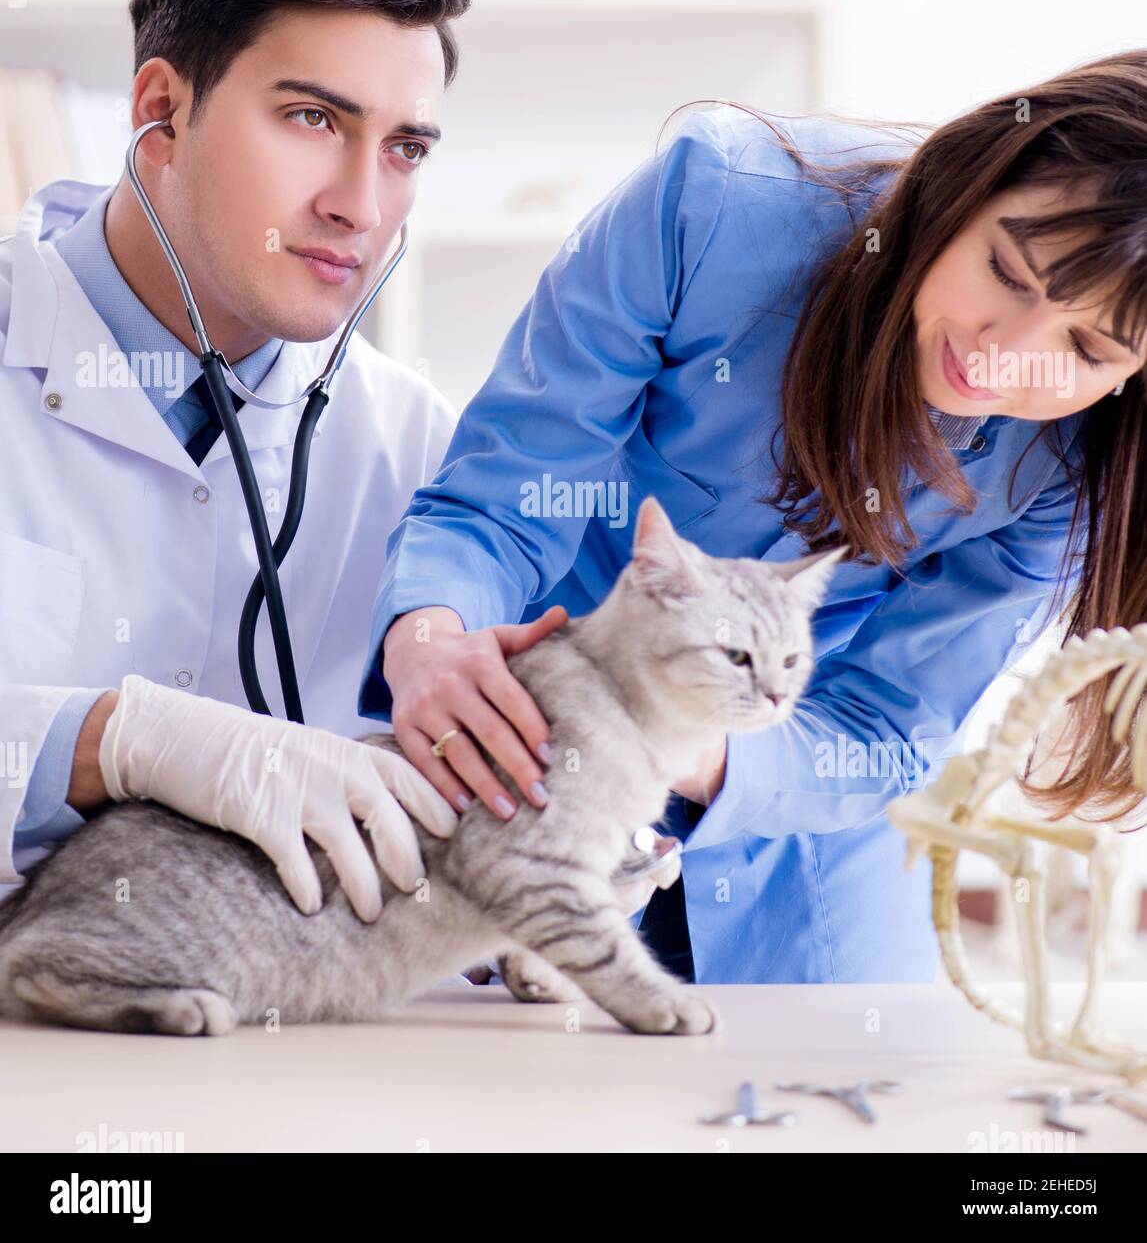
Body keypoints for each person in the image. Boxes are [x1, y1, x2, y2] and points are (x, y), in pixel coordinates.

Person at [361, 55, 1147, 984]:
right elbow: (505, 498)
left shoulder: (1075, 462)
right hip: (526, 749)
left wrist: (688, 747)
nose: (1005, 355)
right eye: (1005, 273)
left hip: (803, 840)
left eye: (1087, 348)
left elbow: (892, 722)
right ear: (963, 185)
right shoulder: (718, 205)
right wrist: (430, 643)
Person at [0, 0, 573, 925]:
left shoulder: (420, 450)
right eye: (313, 119)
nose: (360, 203)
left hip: (296, 1054)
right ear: (160, 111)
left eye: (406, 149)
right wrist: (109, 739)